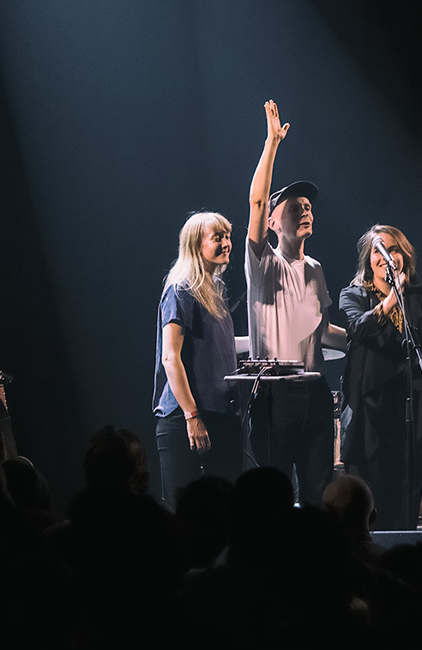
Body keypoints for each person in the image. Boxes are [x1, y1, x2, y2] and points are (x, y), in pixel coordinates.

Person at [244, 99, 346, 507]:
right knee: (275, 495)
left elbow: (322, 333)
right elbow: (255, 202)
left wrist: (366, 337)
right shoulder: (263, 263)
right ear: (273, 221)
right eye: (294, 207)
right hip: (275, 395)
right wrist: (271, 144)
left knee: (321, 492)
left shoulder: (317, 269)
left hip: (316, 391)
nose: (305, 211)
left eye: (308, 207)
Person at [339, 224, 422, 530]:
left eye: (393, 250)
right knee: (370, 504)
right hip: (371, 415)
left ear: (403, 256)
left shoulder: (416, 297)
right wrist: (393, 297)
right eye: (379, 250)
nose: (387, 256)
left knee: (405, 503)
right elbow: (360, 328)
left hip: (410, 412)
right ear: (369, 259)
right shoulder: (353, 294)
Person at [153, 211, 241, 510]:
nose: (227, 243)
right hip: (185, 418)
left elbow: (219, 347)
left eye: (228, 236)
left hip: (219, 415)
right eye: (218, 237)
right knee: (182, 512)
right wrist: (192, 417)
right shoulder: (181, 290)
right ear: (195, 245)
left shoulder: (217, 291)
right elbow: (170, 357)